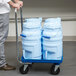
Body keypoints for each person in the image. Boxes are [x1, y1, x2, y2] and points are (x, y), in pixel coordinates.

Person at [0, 0, 23, 70]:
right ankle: (2, 64)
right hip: (1, 12)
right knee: (1, 38)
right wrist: (13, 4)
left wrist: (16, 1)